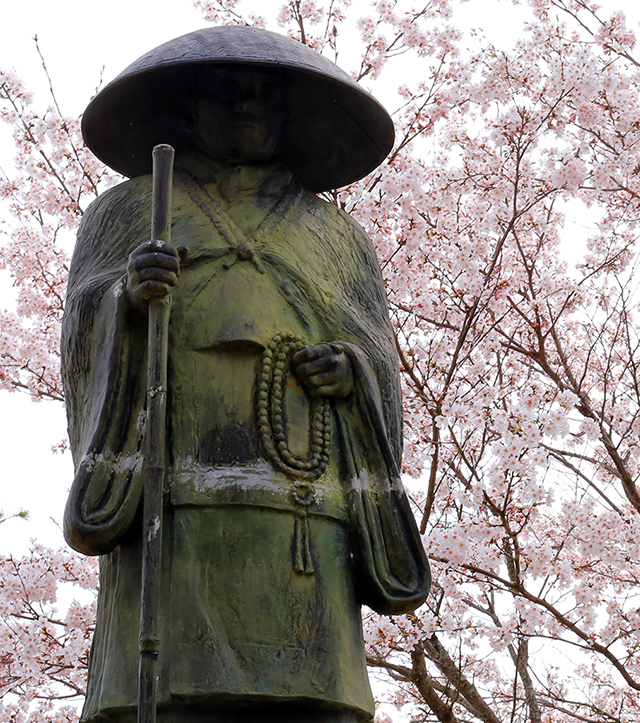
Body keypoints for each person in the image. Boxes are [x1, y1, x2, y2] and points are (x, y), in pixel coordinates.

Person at [62, 26, 430, 723]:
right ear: (190, 104)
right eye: (229, 91)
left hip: (301, 524)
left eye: (266, 94)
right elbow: (84, 332)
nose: (249, 107)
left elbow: (376, 355)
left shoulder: (338, 237)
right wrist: (128, 303)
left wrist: (350, 372)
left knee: (310, 707)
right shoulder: (131, 210)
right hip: (171, 518)